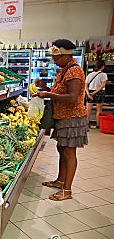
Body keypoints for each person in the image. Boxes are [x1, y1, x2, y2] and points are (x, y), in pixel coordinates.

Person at [34, 39, 88, 201]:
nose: (54, 61)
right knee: (61, 150)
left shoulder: (74, 71)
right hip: (63, 117)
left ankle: (67, 190)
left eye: (56, 58)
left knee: (69, 153)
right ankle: (60, 181)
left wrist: (48, 95)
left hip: (73, 118)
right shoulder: (64, 70)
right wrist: (45, 87)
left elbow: (71, 98)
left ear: (66, 56)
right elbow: (60, 93)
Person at [85, 60, 107, 128]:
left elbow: (86, 85)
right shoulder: (103, 75)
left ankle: (87, 124)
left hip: (90, 91)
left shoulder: (90, 74)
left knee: (88, 110)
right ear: (102, 67)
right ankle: (98, 125)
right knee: (99, 110)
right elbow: (102, 85)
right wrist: (94, 93)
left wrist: (88, 93)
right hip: (99, 92)